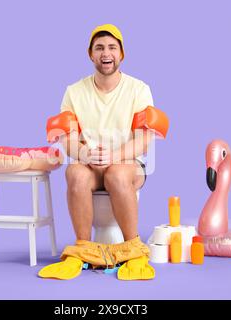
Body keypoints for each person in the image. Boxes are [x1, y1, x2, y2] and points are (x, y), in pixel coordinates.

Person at [40, 24, 167, 280]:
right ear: (90, 54)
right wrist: (85, 154)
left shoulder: (139, 89)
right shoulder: (73, 92)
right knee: (74, 172)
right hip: (90, 164)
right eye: (99, 48)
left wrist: (114, 156)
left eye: (111, 47)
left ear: (122, 54)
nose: (105, 53)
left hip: (128, 165)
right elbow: (68, 141)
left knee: (117, 175)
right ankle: (83, 250)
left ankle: (134, 250)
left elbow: (143, 142)